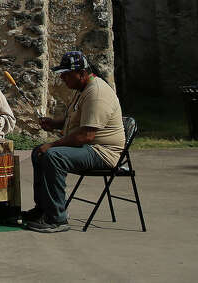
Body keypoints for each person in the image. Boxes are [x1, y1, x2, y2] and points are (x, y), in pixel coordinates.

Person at [25, 50, 126, 233]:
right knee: (38, 152)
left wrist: (52, 145)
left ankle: (57, 218)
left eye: (66, 74)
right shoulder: (82, 89)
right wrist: (54, 124)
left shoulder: (96, 93)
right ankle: (43, 209)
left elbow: (86, 135)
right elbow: (75, 120)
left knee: (53, 156)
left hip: (102, 152)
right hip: (90, 147)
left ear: (82, 73)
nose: (63, 78)